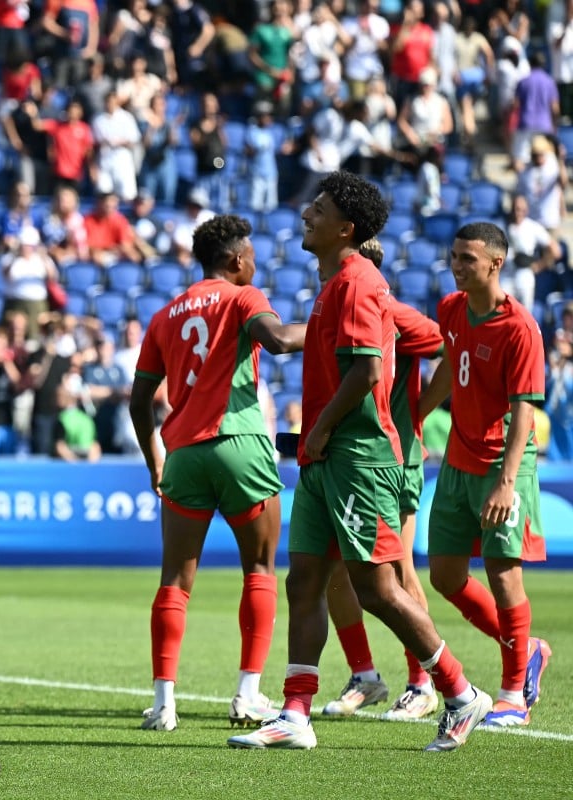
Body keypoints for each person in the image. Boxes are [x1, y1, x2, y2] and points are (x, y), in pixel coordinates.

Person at [228, 171, 491, 753]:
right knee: (306, 582)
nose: (306, 215)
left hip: (359, 457)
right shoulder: (333, 284)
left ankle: (459, 691)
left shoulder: (358, 282)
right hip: (327, 457)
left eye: (317, 209)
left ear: (345, 227)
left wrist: (319, 429)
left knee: (377, 589)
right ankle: (295, 713)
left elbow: (368, 371)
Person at [129, 214, 306, 732]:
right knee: (259, 568)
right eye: (250, 256)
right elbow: (276, 341)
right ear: (235, 260)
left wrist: (154, 461)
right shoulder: (244, 297)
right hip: (240, 442)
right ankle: (247, 696)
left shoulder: (166, 315)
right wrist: (332, 323)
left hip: (182, 452)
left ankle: (163, 703)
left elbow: (140, 399)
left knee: (175, 581)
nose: (255, 263)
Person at [419, 222, 552, 728]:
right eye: (454, 256)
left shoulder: (519, 326)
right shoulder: (451, 309)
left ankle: (513, 694)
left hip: (504, 467)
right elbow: (450, 369)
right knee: (446, 576)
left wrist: (506, 479)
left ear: (495, 264)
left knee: (502, 573)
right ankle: (529, 648)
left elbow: (523, 411)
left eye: (467, 259)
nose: (456, 265)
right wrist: (413, 416)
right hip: (457, 460)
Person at [320, 237, 448, 721]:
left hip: (394, 461)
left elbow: (447, 347)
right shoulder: (333, 308)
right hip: (347, 461)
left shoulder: (391, 310)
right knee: (338, 575)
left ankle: (424, 683)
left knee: (398, 573)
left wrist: (418, 412)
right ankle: (365, 677)